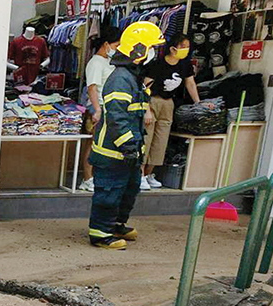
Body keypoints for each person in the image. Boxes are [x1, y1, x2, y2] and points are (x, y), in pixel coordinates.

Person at [87, 21, 166, 250]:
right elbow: (117, 118)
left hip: (128, 151)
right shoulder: (121, 79)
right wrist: (128, 146)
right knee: (110, 192)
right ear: (138, 49)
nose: (154, 53)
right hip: (113, 151)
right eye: (151, 48)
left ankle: (115, 225)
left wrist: (134, 149)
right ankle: (100, 233)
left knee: (128, 190)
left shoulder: (133, 78)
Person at [142, 34, 207, 190]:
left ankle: (149, 173)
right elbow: (145, 87)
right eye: (183, 46)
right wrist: (147, 109)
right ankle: (140, 175)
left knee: (161, 140)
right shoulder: (156, 64)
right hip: (153, 101)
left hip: (168, 103)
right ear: (173, 48)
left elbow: (190, 84)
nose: (186, 49)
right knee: (147, 139)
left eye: (187, 46)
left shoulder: (185, 66)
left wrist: (198, 103)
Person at [80, 27, 122, 192]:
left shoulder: (108, 62)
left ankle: (94, 176)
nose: (118, 49)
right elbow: (92, 88)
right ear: (106, 44)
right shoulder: (96, 62)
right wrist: (97, 110)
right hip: (97, 107)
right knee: (92, 143)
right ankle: (87, 178)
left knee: (100, 144)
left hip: (107, 107)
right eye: (117, 45)